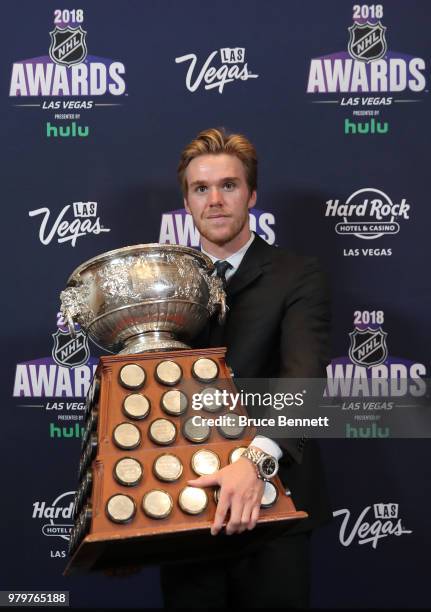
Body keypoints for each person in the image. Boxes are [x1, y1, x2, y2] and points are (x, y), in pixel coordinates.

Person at [160, 127, 332, 608]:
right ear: (187, 203)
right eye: (201, 189)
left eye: (229, 186)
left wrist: (254, 462)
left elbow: (304, 381)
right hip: (185, 507)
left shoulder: (299, 275)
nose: (215, 200)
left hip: (275, 505)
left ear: (252, 195)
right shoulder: (163, 285)